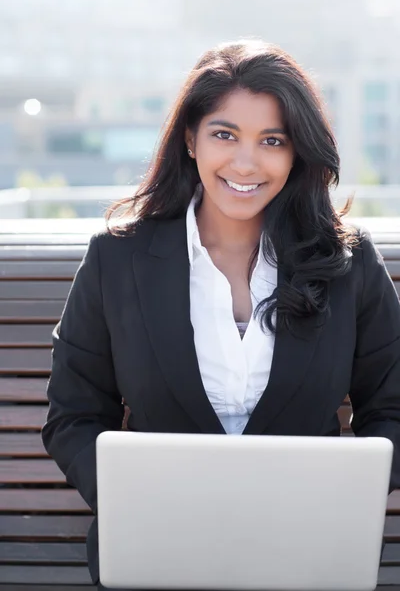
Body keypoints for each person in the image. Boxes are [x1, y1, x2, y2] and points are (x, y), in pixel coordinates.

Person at [41, 39, 400, 591]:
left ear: (297, 152)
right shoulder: (117, 260)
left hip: (309, 551)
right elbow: (73, 415)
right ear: (190, 138)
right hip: (156, 551)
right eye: (224, 134)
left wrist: (341, 497)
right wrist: (139, 501)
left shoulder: (348, 263)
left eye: (272, 140)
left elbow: (394, 407)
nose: (245, 162)